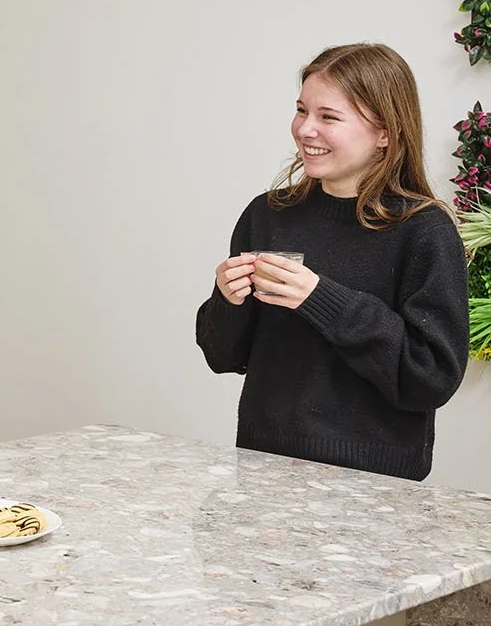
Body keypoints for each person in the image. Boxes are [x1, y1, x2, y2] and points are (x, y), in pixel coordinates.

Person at [196, 42, 468, 481]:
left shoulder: (424, 230)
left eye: (328, 117)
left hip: (375, 489)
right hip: (262, 469)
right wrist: (229, 301)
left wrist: (321, 299)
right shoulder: (267, 215)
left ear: (385, 132)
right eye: (302, 110)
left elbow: (430, 377)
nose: (305, 129)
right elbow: (222, 355)